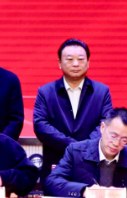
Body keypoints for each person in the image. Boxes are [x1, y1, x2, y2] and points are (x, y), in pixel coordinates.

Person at [33, 38, 114, 177]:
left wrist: (84, 148)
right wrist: (75, 148)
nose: (75, 64)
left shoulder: (102, 91)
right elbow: (40, 125)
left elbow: (106, 124)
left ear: (88, 62)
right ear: (60, 63)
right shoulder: (46, 92)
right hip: (56, 164)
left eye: (80, 59)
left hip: (91, 164)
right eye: (69, 59)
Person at [44, 108, 127, 198]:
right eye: (113, 136)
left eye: (124, 140)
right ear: (102, 128)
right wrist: (84, 190)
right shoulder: (76, 152)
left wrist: (126, 193)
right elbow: (51, 183)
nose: (116, 143)